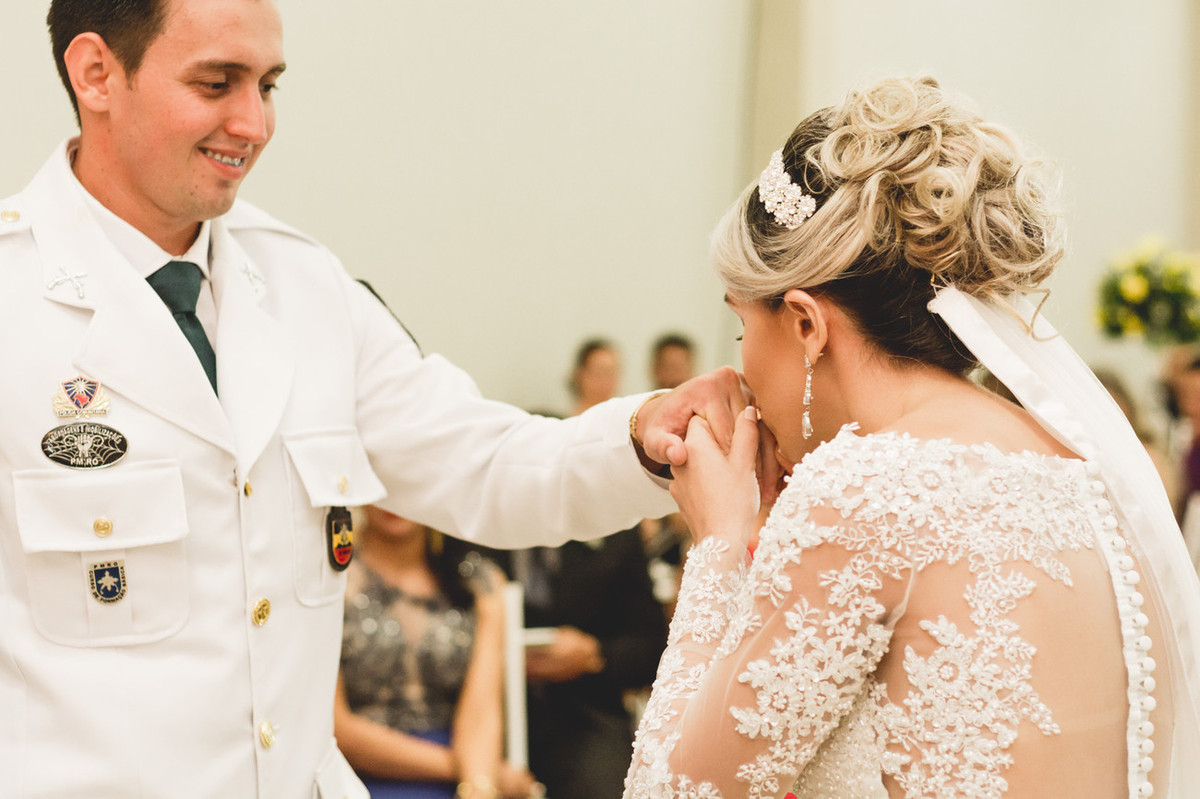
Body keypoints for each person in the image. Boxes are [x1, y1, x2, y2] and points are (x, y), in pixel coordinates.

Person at [0, 2, 747, 797]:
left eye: (269, 84)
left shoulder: (307, 286)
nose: (253, 123)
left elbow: (483, 463)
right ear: (96, 73)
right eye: (216, 83)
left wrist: (641, 431)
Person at [623, 75, 1200, 797]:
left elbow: (672, 792)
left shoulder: (864, 489)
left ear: (805, 323)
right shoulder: (1080, 467)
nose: (739, 362)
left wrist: (718, 541)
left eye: (744, 325)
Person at [335, 506, 538, 799]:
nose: (395, 500)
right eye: (386, 480)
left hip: (466, 760)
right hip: (355, 774)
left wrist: (478, 787)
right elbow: (336, 728)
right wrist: (481, 772)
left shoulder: (479, 581)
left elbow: (481, 710)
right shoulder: (333, 580)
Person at [568, 337, 622, 416]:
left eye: (610, 373)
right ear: (580, 374)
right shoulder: (565, 424)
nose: (605, 381)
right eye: (599, 372)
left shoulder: (625, 424)